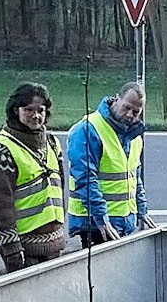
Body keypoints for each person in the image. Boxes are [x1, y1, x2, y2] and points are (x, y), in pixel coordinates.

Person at [0, 82, 67, 272]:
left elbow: (59, 189)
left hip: (52, 243)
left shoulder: (52, 143)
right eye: (28, 109)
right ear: (15, 110)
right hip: (22, 248)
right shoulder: (1, 149)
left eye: (41, 110)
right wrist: (11, 248)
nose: (35, 116)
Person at [66, 81, 154, 248]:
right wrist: (101, 218)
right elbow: (85, 179)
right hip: (95, 225)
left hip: (122, 221)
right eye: (127, 107)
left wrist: (141, 208)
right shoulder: (88, 129)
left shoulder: (134, 135)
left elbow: (133, 176)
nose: (130, 115)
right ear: (116, 99)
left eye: (136, 112)